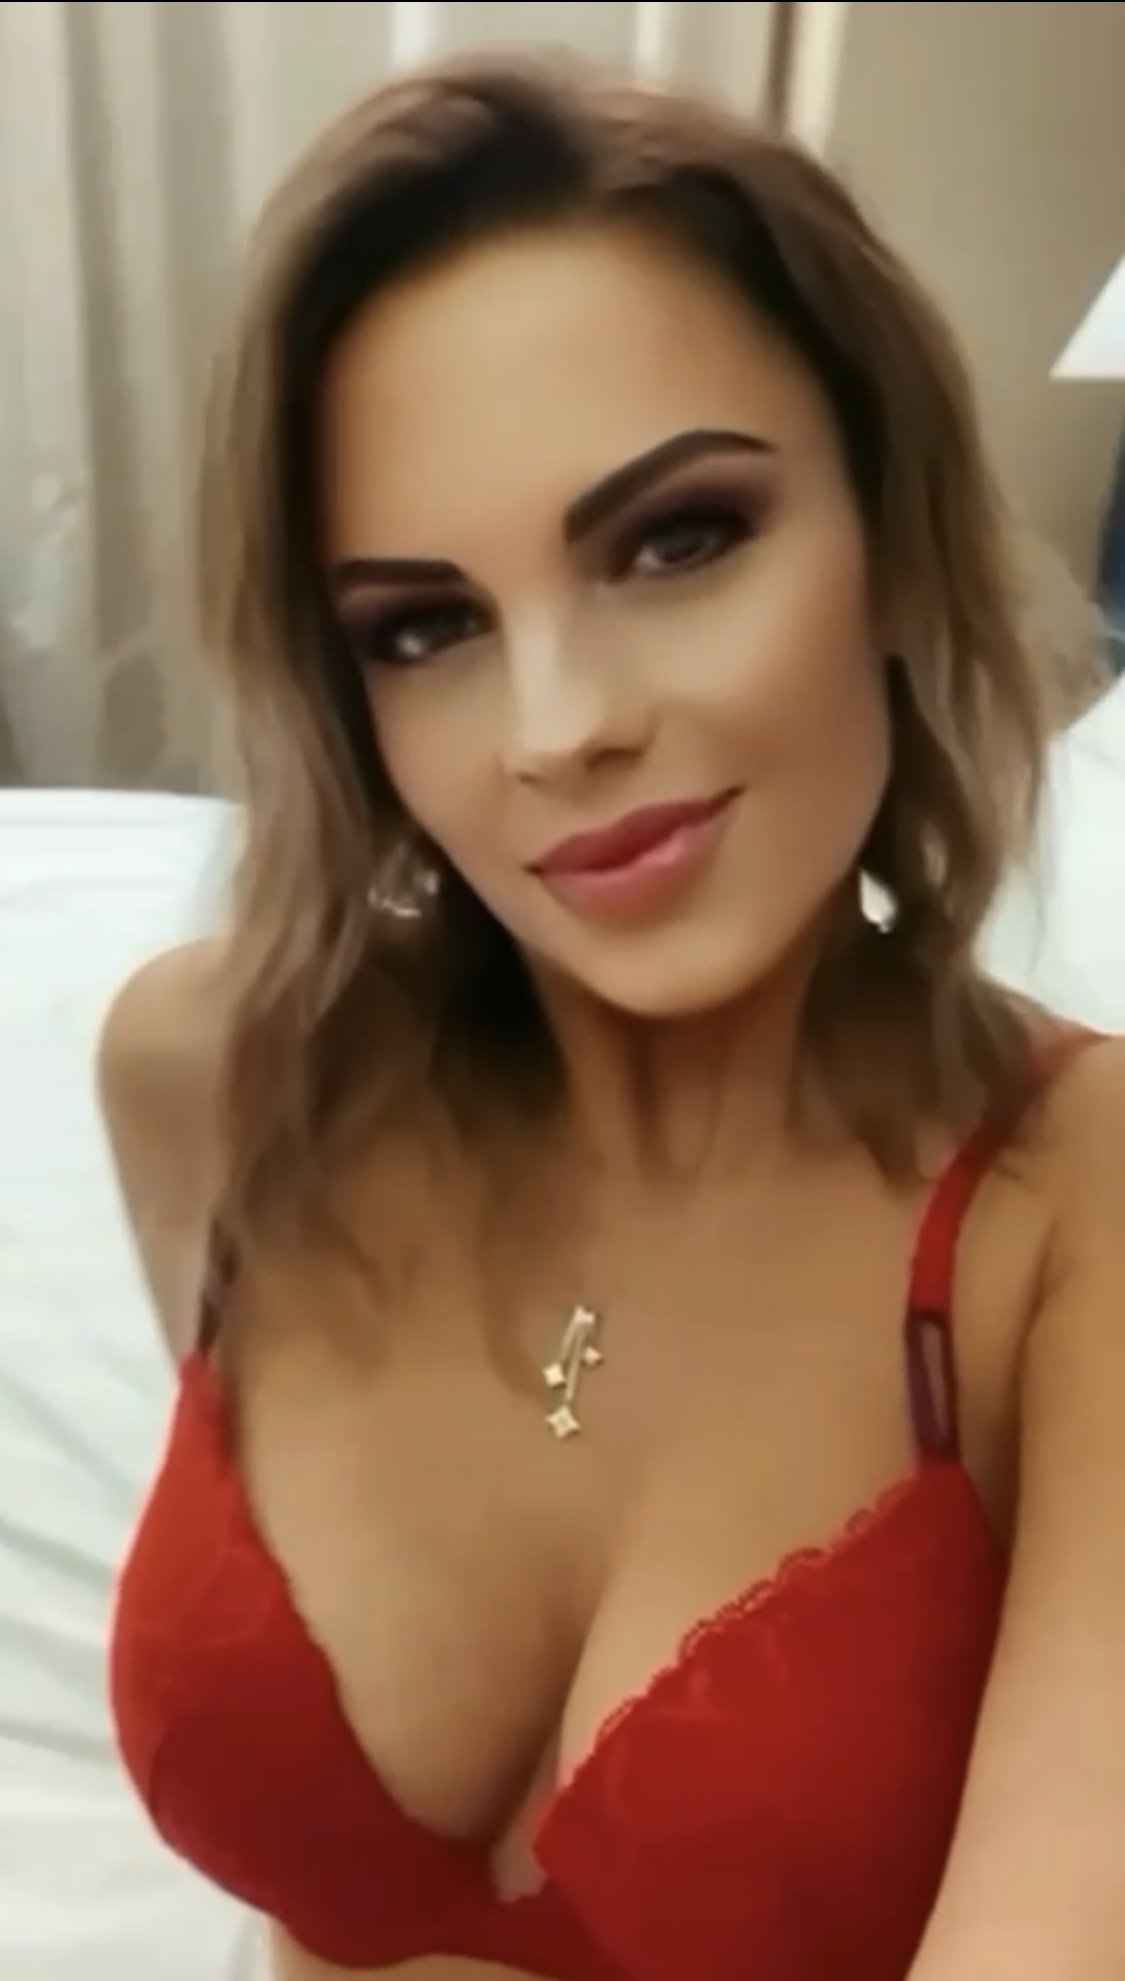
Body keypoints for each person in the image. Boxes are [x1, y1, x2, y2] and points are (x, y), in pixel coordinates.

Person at [99, 52, 1125, 1981]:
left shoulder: (1073, 1216)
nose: (559, 725)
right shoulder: (221, 1078)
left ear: (892, 535)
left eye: (676, 538)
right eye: (423, 625)